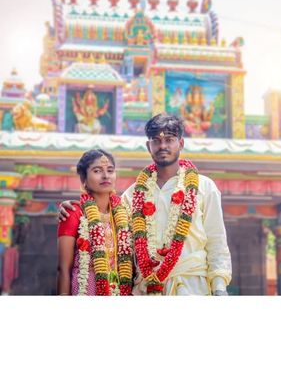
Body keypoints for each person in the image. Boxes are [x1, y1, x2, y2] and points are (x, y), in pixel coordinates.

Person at [59, 113, 232, 296]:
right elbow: (105, 217)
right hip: (144, 289)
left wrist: (220, 287)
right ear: (148, 146)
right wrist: (76, 207)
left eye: (169, 139)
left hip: (191, 287)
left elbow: (217, 241)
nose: (163, 146)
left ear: (180, 144)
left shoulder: (203, 186)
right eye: (156, 140)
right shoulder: (132, 194)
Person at [57, 149, 133, 296]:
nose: (105, 176)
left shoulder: (124, 214)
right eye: (97, 171)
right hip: (85, 288)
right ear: (84, 179)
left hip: (119, 289)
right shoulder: (74, 212)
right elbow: (63, 269)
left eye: (110, 170)